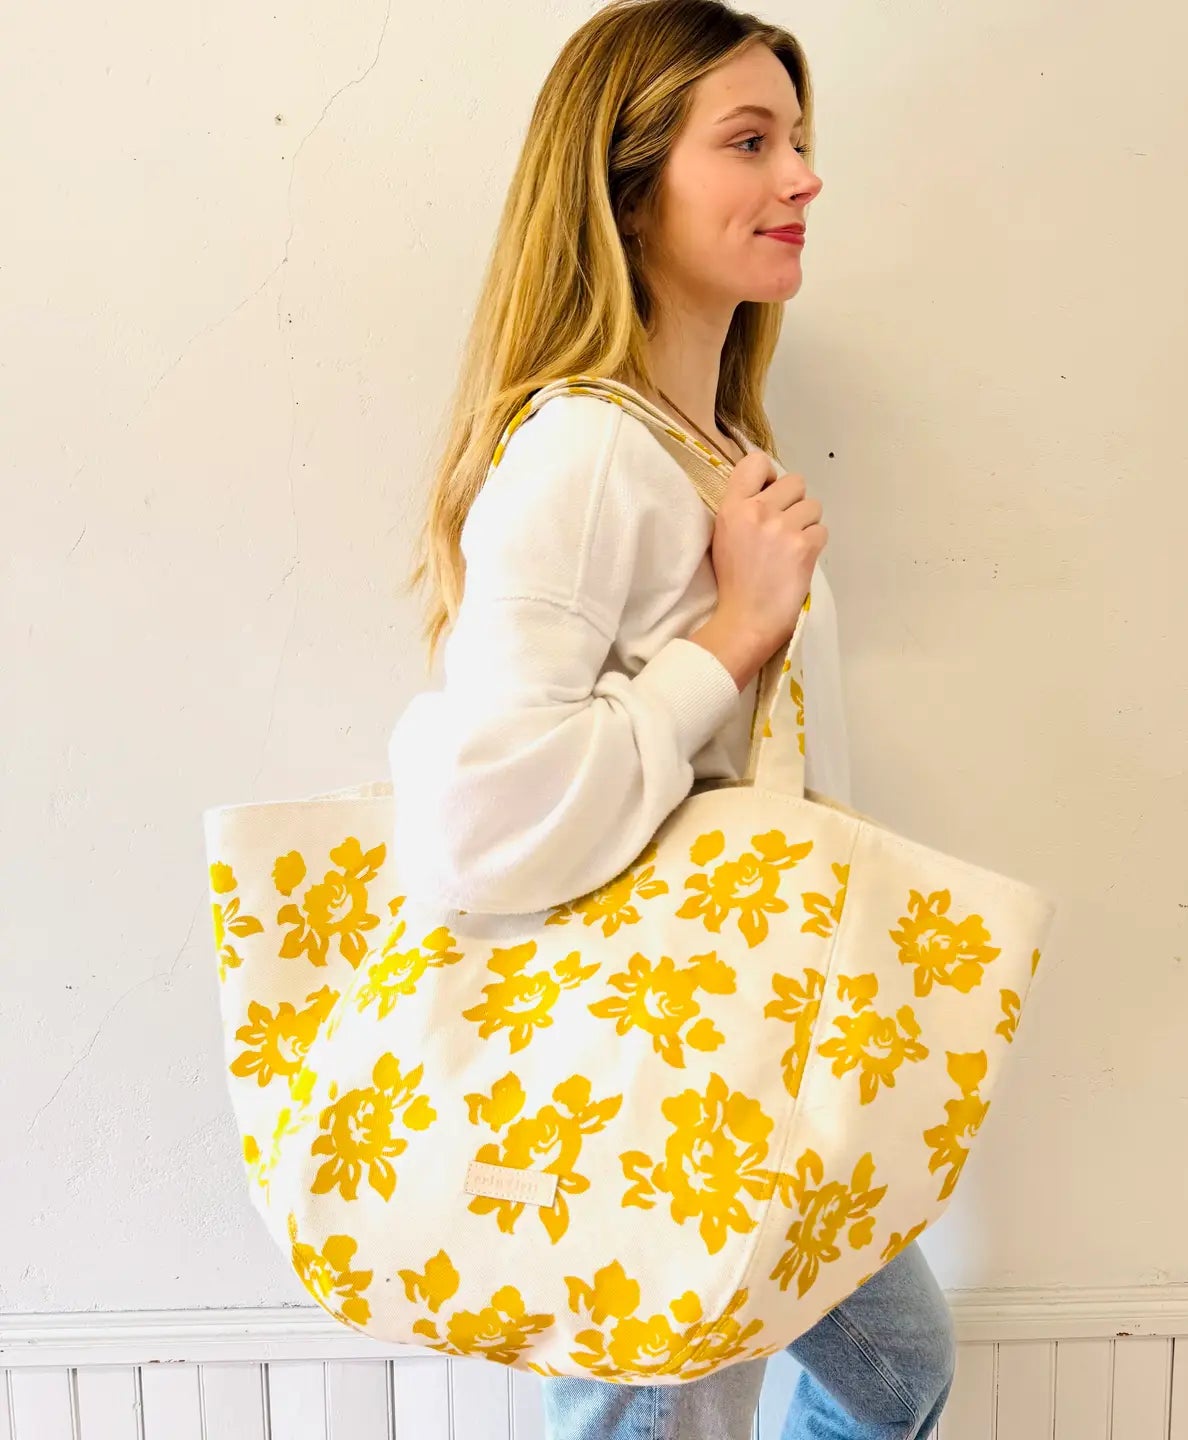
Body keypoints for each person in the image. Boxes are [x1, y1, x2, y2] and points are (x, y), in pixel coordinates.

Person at [387, 2, 956, 1435]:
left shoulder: (712, 449)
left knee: (893, 1368)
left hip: (744, 1046)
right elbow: (480, 822)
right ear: (628, 190)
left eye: (800, 140)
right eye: (749, 143)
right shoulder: (583, 453)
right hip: (643, 1059)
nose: (803, 178)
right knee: (657, 1411)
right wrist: (733, 633)